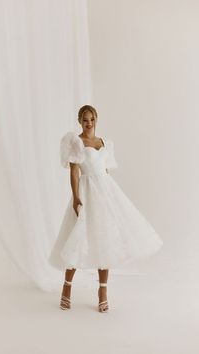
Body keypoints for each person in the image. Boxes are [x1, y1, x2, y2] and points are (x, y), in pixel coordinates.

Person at [48, 105, 163, 313]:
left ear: (96, 119)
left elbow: (106, 171)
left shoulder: (105, 143)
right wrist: (76, 197)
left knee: (105, 239)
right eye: (85, 120)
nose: (88, 123)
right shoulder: (76, 142)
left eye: (91, 119)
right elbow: (74, 172)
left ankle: (103, 291)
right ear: (79, 121)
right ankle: (66, 288)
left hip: (104, 192)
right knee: (77, 238)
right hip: (85, 193)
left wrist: (111, 198)